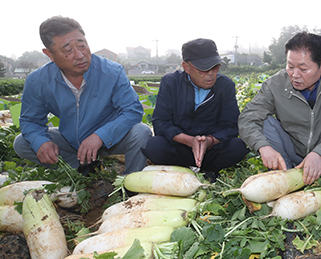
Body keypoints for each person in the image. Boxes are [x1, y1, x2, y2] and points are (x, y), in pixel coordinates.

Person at [13, 16, 152, 174]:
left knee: (141, 132)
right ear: (49, 54)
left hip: (111, 141)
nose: (80, 55)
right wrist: (41, 142)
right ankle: (81, 169)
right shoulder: (38, 81)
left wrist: (99, 136)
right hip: (70, 142)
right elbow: (30, 121)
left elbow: (132, 111)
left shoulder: (112, 72)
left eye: (82, 45)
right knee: (22, 142)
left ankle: (131, 183)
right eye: (68, 50)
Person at [238, 32, 321, 185]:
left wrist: (320, 154)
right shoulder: (275, 84)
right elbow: (247, 118)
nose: (295, 75)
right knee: (264, 122)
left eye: (303, 69)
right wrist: (263, 146)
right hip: (292, 151)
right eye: (290, 66)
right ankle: (287, 176)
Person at [141, 38, 248, 179]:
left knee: (239, 146)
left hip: (211, 150)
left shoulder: (225, 85)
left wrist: (209, 141)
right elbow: (161, 122)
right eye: (204, 69)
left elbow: (231, 126)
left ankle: (210, 170)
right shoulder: (171, 83)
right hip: (181, 147)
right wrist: (189, 141)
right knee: (155, 146)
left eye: (215, 67)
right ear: (186, 67)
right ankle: (183, 170)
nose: (211, 74)